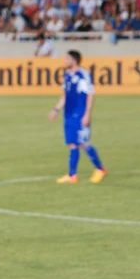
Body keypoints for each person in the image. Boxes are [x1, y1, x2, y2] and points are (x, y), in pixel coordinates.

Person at [48, 50, 107, 184]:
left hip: (80, 114)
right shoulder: (67, 75)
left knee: (83, 143)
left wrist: (87, 114)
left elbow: (90, 94)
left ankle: (100, 169)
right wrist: (55, 110)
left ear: (73, 61)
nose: (64, 61)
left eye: (67, 59)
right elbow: (65, 95)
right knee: (72, 144)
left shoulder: (83, 75)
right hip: (68, 115)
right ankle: (72, 175)